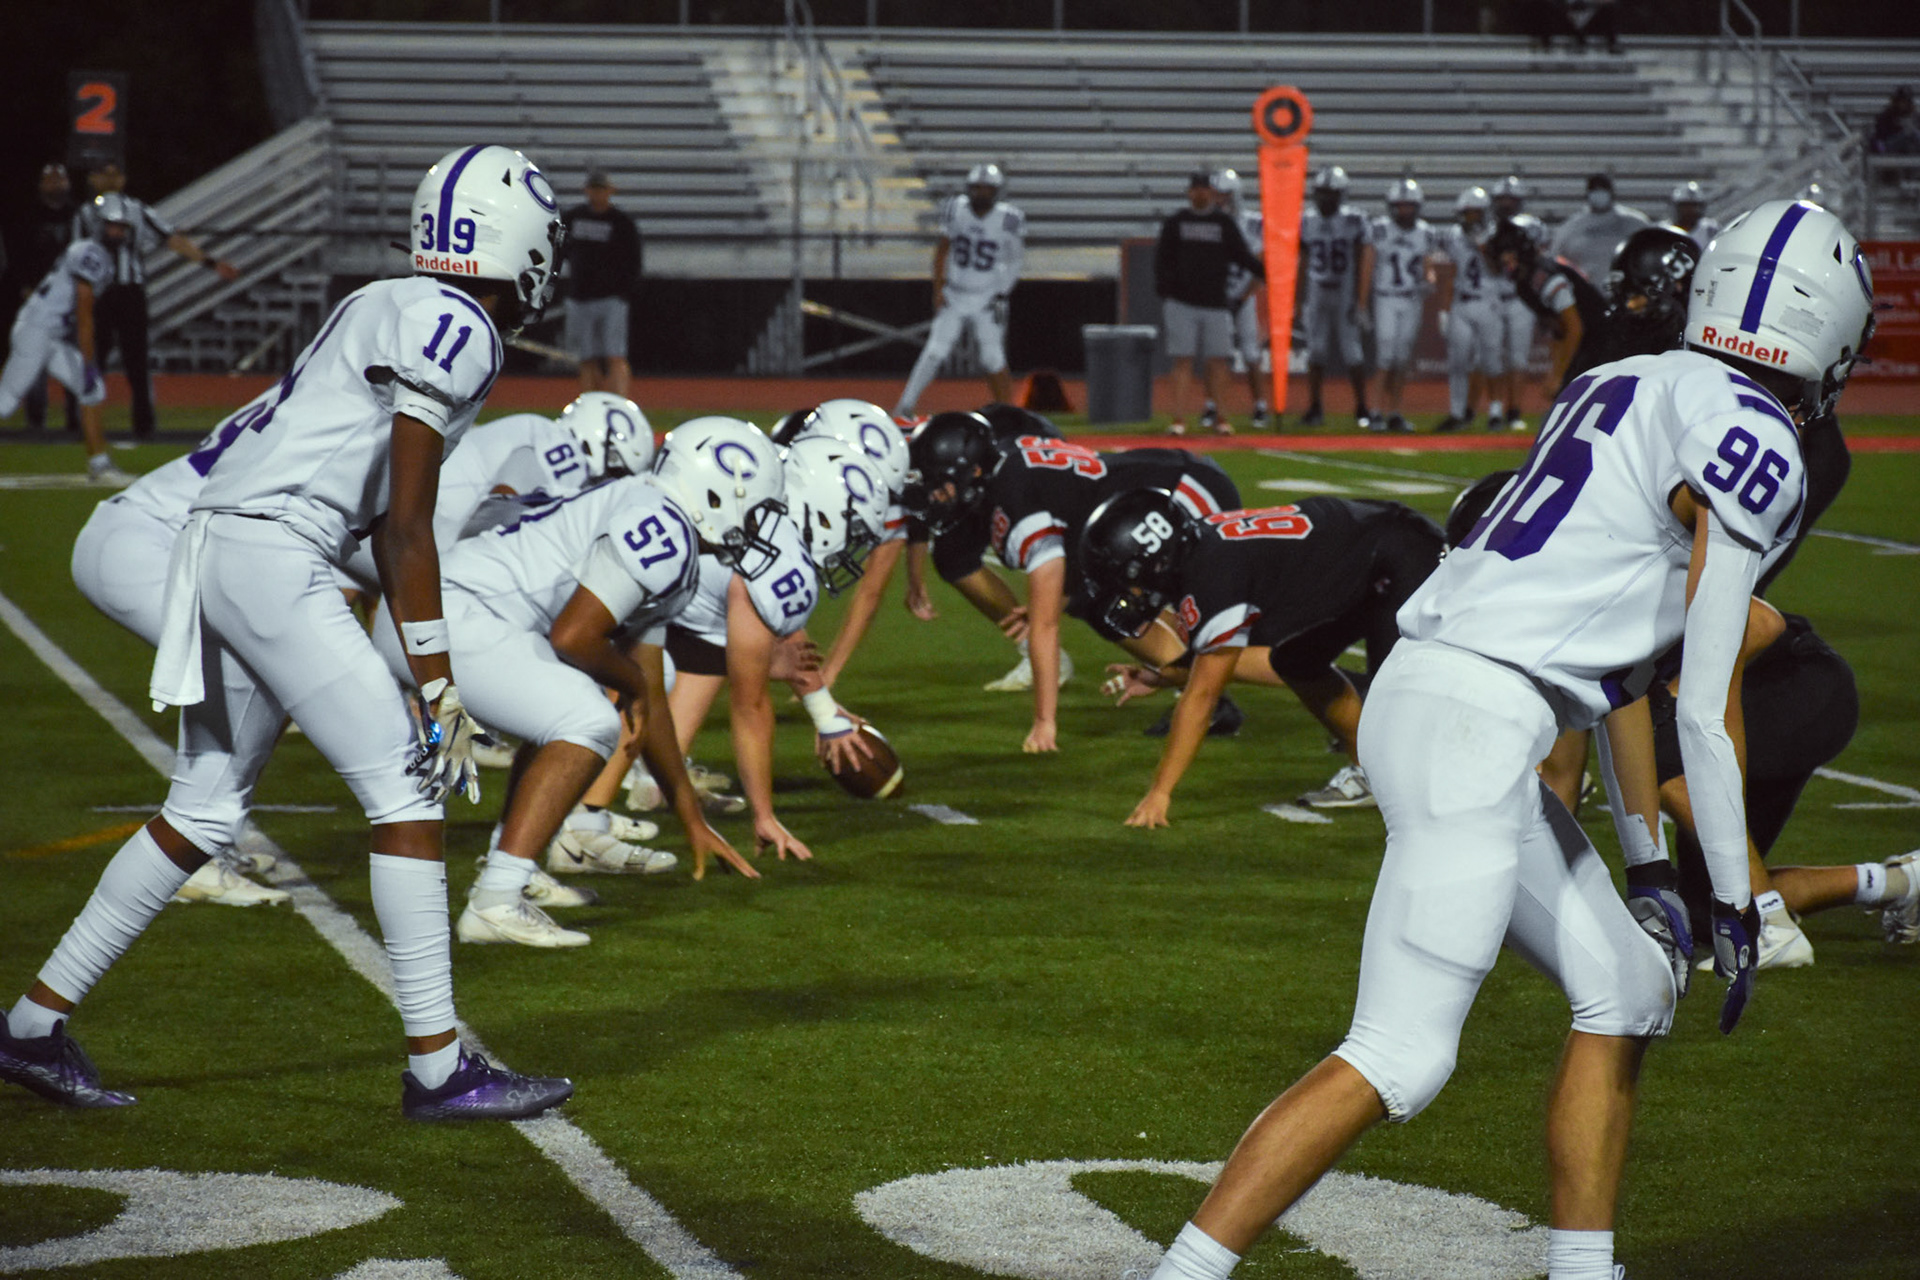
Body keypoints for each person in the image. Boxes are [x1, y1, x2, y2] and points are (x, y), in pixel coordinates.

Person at [1145, 199, 1875, 1280]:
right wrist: (1739, 897)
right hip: (1477, 721)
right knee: (1399, 1054)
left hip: (1443, 695)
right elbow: (1700, 700)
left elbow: (1623, 677)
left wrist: (1646, 866)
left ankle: (1583, 1269)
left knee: (1630, 991)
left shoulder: (1619, 379)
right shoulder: (1756, 436)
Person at [0, 146, 574, 1120]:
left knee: (205, 804)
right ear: (513, 241)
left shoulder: (383, 298)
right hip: (273, 549)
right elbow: (403, 530)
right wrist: (440, 685)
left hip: (221, 541)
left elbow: (379, 523)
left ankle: (29, 1026)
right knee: (405, 786)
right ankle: (439, 1069)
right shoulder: (460, 325)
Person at [369, 421, 773, 946]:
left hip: (447, 613)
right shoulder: (664, 528)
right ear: (716, 494)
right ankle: (497, 900)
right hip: (450, 618)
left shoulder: (659, 519)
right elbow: (575, 637)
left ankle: (512, 873)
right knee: (587, 717)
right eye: (754, 508)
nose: (757, 525)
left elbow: (649, 693)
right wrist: (631, 684)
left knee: (576, 702)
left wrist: (690, 815)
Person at [1084, 489, 1443, 819]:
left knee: (1396, 699)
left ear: (1157, 561)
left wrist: (1160, 793)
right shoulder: (1199, 552)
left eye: (1128, 578)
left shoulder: (1211, 574)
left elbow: (1204, 694)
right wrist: (1162, 677)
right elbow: (1210, 659)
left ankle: (1448, 784)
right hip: (1368, 557)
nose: (1129, 592)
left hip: (1400, 555)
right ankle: (1371, 771)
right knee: (1297, 662)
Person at [907, 411, 1241, 753]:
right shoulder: (1006, 475)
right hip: (1160, 488)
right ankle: (1198, 687)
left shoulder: (1018, 499)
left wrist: (1044, 722)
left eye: (940, 484)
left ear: (974, 471)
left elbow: (1046, 625)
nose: (935, 495)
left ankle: (1211, 690)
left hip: (1185, 493)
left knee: (1121, 605)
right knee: (1102, 604)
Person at [73, 162, 238, 440]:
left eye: (116, 174)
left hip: (130, 292)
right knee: (92, 358)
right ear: (94, 179)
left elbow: (171, 239)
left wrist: (210, 262)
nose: (111, 180)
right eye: (105, 174)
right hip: (98, 293)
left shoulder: (137, 209)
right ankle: (83, 424)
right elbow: (74, 254)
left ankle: (144, 425)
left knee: (136, 359)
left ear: (123, 179)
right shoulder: (85, 213)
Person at [0, 194, 128, 482]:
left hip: (50, 335)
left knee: (93, 391)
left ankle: (99, 464)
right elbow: (84, 312)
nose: (118, 232)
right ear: (100, 226)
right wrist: (89, 361)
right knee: (4, 404)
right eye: (113, 225)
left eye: (122, 227)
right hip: (36, 331)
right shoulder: (91, 253)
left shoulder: (97, 255)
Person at [894, 164, 1024, 419]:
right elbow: (942, 250)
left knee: (992, 358)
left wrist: (1002, 291)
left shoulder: (1009, 218)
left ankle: (1008, 414)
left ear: (997, 191)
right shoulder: (957, 209)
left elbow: (1015, 259)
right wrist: (938, 288)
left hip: (987, 296)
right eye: (977, 188)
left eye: (987, 188)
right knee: (934, 351)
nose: (981, 193)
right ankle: (904, 407)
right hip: (955, 293)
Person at [1154, 171, 1263, 437]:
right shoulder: (1176, 222)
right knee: (1182, 360)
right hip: (1182, 302)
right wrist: (1166, 290)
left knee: (1218, 362)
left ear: (1211, 193)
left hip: (1215, 302)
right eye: (1196, 189)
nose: (1200, 194)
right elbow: (1162, 258)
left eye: (1204, 189)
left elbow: (1241, 254)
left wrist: (1263, 272)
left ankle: (1221, 418)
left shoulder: (1223, 223)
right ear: (1189, 192)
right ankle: (1178, 419)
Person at [1357, 178, 1438, 434]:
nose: (1405, 211)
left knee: (1402, 359)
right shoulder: (1379, 229)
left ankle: (1394, 412)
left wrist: (1430, 280)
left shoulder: (1425, 232)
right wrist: (1362, 304)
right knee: (1385, 356)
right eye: (1401, 206)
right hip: (1386, 297)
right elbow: (1367, 266)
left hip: (1411, 298)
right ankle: (1375, 411)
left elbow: (1428, 267)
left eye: (1409, 206)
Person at [1297, 166, 1371, 428]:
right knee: (1316, 350)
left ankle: (1362, 407)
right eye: (1321, 193)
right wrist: (1298, 298)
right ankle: (1315, 407)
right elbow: (1303, 260)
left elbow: (1363, 258)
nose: (1325, 199)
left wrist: (1360, 300)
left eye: (1330, 193)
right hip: (1317, 289)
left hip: (1343, 289)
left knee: (1352, 351)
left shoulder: (1354, 220)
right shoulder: (1307, 220)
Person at [9, 163, 80, 432]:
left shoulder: (78, 215)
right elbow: (16, 255)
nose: (55, 184)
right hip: (37, 299)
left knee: (73, 358)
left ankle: (75, 418)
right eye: (50, 180)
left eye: (59, 179)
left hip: (70, 300)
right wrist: (25, 286)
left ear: (68, 183)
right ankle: (36, 420)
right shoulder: (28, 216)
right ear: (41, 184)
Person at [561, 171, 641, 397]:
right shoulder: (573, 217)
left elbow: (633, 260)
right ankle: (591, 401)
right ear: (587, 190)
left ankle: (618, 402)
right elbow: (561, 249)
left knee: (615, 354)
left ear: (610, 191)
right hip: (580, 296)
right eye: (594, 189)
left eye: (601, 189)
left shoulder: (621, 222)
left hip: (611, 297)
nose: (597, 194)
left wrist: (625, 291)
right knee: (586, 357)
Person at [1433, 187, 1501, 432]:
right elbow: (1450, 274)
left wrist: (1482, 244)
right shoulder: (1453, 236)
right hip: (1461, 303)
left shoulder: (1496, 234)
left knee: (1491, 361)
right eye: (1467, 213)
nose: (1470, 218)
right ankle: (1457, 412)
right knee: (1458, 361)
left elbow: (1498, 269)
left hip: (1489, 302)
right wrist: (1444, 309)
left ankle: (1495, 412)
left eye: (1475, 213)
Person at [1487, 176, 1551, 431]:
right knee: (1492, 356)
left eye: (1511, 199)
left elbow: (1541, 261)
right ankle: (1494, 409)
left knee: (1518, 359)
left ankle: (1513, 411)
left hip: (1521, 298)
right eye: (1502, 199)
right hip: (1493, 297)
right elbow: (1490, 266)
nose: (1506, 204)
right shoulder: (1489, 228)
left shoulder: (1533, 227)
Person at [1210, 169, 1270, 431]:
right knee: (1215, 354)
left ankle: (1260, 406)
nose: (1220, 200)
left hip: (1243, 296)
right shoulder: (1209, 223)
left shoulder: (1253, 223)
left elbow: (1261, 265)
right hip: (1215, 297)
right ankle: (1212, 405)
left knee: (1251, 352)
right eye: (1217, 195)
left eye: (1224, 195)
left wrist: (1243, 297)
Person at [1550, 173, 1650, 284]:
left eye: (1603, 188)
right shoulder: (1572, 227)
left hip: (1625, 287)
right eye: (1595, 189)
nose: (1599, 194)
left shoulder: (1634, 223)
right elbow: (1556, 258)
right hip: (1587, 290)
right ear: (1587, 193)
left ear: (1611, 192)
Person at [1668, 181, 1721, 251]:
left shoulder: (1710, 230)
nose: (1689, 210)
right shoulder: (1665, 230)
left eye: (1694, 206)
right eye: (1685, 206)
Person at [1869, 85, 1920, 155]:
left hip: (1910, 147)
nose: (1903, 104)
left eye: (1905, 101)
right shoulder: (1886, 116)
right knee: (1909, 134)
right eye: (1901, 101)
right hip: (1890, 146)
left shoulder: (1915, 116)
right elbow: (1880, 138)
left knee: (1914, 134)